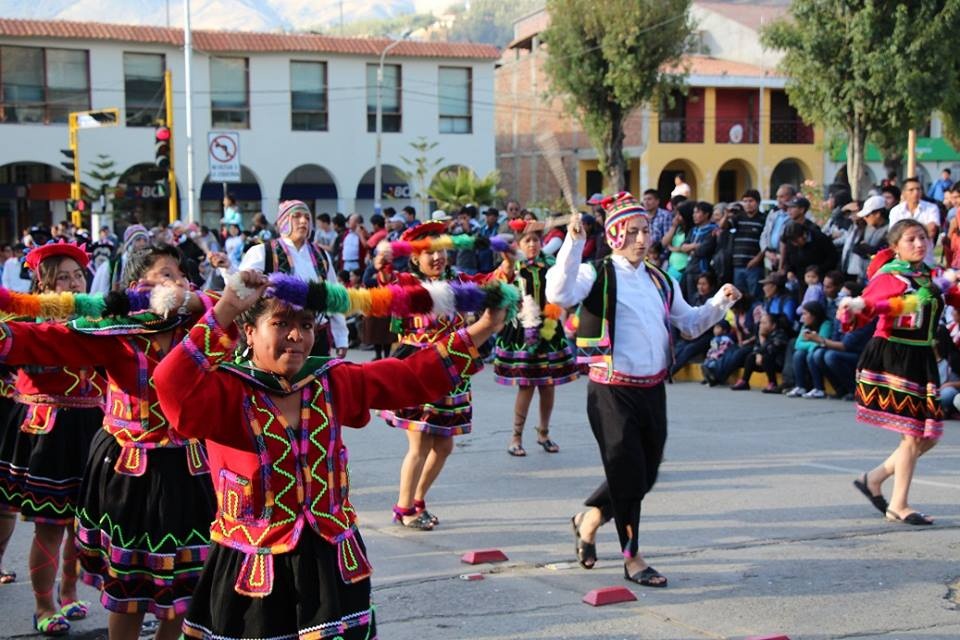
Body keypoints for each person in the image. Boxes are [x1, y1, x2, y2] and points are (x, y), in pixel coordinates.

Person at [153, 270, 504, 640]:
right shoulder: (226, 391)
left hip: (331, 558)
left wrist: (483, 327)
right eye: (280, 323)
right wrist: (224, 310)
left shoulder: (329, 380)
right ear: (250, 333)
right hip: (251, 564)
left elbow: (409, 376)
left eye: (305, 325)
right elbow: (169, 382)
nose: (296, 335)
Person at [0, 243, 216, 640]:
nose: (178, 281)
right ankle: (46, 603)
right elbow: (37, 341)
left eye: (180, 274)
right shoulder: (112, 333)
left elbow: (241, 315)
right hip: (113, 462)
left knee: (184, 587)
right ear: (138, 286)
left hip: (186, 470)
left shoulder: (198, 330)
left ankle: (67, 594)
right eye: (166, 274)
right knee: (119, 581)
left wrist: (202, 299)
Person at [546, 191, 739, 586]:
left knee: (645, 474)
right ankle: (633, 557)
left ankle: (590, 518)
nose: (640, 238)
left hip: (652, 390)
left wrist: (720, 302)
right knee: (627, 471)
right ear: (615, 235)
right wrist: (574, 242)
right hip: (611, 390)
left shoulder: (660, 279)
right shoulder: (595, 272)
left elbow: (689, 324)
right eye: (631, 231)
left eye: (645, 230)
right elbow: (558, 294)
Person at [0, 242, 105, 636]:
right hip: (50, 427)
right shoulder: (29, 321)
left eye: (78, 275)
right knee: (50, 524)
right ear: (44, 283)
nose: (74, 283)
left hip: (92, 425)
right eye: (63, 277)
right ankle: (44, 604)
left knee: (82, 523)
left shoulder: (97, 318)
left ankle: (69, 591)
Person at [841, 219, 960, 525]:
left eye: (922, 238)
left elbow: (950, 296)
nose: (920, 244)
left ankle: (874, 479)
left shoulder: (927, 276)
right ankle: (899, 505)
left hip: (920, 357)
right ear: (895, 247)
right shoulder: (892, 276)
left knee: (929, 436)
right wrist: (856, 305)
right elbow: (876, 303)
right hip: (893, 354)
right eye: (911, 239)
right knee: (912, 435)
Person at [382, 221, 488, 530]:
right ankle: (404, 507)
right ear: (415, 258)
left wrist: (508, 261)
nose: (436, 257)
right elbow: (396, 333)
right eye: (428, 252)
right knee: (420, 444)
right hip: (419, 368)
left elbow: (489, 284)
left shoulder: (458, 281)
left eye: (441, 250)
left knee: (444, 446)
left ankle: (417, 500)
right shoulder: (405, 284)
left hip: (452, 369)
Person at [493, 220, 578, 456]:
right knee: (527, 386)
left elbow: (565, 286)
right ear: (520, 243)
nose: (532, 244)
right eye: (527, 240)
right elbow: (500, 283)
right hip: (523, 328)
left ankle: (544, 433)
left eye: (536, 240)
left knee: (548, 385)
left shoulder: (551, 264)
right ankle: (515, 437)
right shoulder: (513, 266)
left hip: (549, 328)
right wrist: (509, 262)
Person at [239, 200, 349, 358]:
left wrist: (341, 338)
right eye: (296, 216)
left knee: (316, 380)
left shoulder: (321, 256)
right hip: (278, 335)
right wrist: (227, 268)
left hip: (316, 335)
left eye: (307, 217)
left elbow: (333, 298)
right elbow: (240, 288)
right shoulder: (263, 252)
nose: (303, 221)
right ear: (283, 221)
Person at [730, 312, 789, 392]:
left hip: (777, 363)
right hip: (763, 362)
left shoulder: (780, 335)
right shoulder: (763, 333)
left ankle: (773, 383)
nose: (761, 325)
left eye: (764, 323)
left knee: (766, 358)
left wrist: (762, 339)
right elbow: (756, 348)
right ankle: (745, 381)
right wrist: (758, 353)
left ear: (773, 325)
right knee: (750, 357)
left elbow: (770, 350)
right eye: (760, 323)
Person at [785, 300, 833, 398]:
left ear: (814, 315)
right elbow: (798, 344)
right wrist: (812, 344)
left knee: (812, 355)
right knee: (798, 354)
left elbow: (821, 342)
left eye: (805, 314)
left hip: (825, 349)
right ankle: (800, 386)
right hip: (813, 349)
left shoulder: (826, 324)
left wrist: (811, 343)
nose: (803, 317)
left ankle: (819, 388)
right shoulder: (806, 326)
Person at [888, 177, 940, 264]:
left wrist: (907, 234)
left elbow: (931, 231)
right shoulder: (896, 211)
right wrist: (922, 229)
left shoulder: (931, 208)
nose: (916, 192)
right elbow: (894, 235)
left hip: (926, 259)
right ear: (904, 193)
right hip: (902, 260)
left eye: (918, 189)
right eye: (911, 190)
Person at [728, 190, 766, 298]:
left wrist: (757, 259)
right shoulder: (738, 218)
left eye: (751, 201)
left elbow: (766, 243)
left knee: (755, 297)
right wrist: (727, 213)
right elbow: (723, 226)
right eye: (745, 201)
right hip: (738, 264)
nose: (748, 204)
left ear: (758, 202)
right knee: (739, 298)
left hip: (754, 266)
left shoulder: (763, 219)